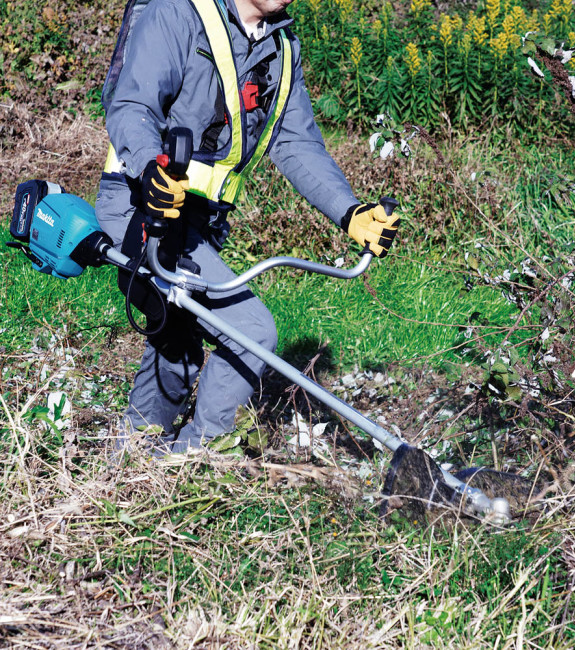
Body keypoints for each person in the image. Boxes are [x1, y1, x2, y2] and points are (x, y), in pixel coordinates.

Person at [95, 0, 401, 455]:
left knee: (177, 341)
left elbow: (295, 141)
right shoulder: (179, 12)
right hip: (142, 205)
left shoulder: (281, 46)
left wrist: (349, 211)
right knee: (251, 332)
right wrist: (149, 170)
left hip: (199, 222)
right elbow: (132, 104)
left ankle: (131, 459)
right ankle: (198, 460)